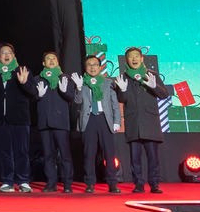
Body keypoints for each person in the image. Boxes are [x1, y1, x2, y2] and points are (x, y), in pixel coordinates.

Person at [115, 47, 170, 194]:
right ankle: (138, 184)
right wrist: (122, 91)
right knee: (135, 158)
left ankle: (154, 184)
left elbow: (164, 94)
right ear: (127, 60)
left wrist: (154, 86)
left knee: (153, 157)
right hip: (133, 122)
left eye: (136, 56)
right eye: (130, 57)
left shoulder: (151, 75)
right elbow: (122, 100)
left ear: (141, 58)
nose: (134, 59)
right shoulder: (123, 77)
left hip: (150, 122)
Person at [0, 42, 36, 193]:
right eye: (3, 53)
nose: (6, 55)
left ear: (14, 56)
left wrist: (25, 83)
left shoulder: (23, 70)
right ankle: (7, 181)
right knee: (4, 151)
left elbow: (33, 93)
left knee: (22, 151)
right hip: (0, 119)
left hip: (20, 118)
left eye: (9, 53)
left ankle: (23, 181)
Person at [71, 55, 121, 194]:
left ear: (100, 67)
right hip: (89, 120)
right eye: (89, 64)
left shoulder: (107, 83)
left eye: (95, 64)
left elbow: (114, 104)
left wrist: (117, 121)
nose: (92, 67)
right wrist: (79, 88)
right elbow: (77, 101)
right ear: (85, 68)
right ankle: (90, 183)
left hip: (105, 120)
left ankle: (112, 183)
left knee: (109, 154)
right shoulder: (83, 83)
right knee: (89, 154)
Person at [34, 51, 74, 193]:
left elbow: (71, 97)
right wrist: (37, 96)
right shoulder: (38, 79)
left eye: (54, 59)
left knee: (65, 154)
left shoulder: (65, 78)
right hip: (45, 122)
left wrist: (64, 91)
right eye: (48, 59)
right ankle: (51, 183)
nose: (51, 61)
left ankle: (68, 184)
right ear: (43, 63)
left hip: (61, 122)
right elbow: (32, 98)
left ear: (58, 62)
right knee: (48, 155)